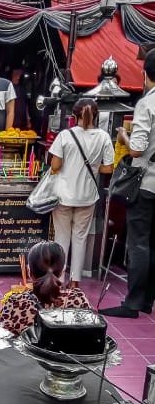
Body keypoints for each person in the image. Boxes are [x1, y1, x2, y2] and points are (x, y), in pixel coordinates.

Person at [100, 50, 155, 318]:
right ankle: (147, 300)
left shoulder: (147, 103)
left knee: (139, 243)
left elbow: (137, 149)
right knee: (152, 243)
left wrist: (123, 135)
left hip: (146, 182)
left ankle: (133, 303)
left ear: (146, 75)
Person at [49, 97, 114, 288]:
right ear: (96, 115)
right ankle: (75, 281)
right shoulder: (103, 137)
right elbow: (108, 169)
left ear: (74, 115)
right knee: (80, 237)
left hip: (63, 195)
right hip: (87, 195)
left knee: (61, 237)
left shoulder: (65, 135)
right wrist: (93, 168)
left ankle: (58, 279)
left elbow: (55, 165)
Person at [0, 240, 90, 335]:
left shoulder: (15, 303)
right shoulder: (78, 299)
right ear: (63, 271)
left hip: (28, 350)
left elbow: (4, 341)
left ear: (29, 271)